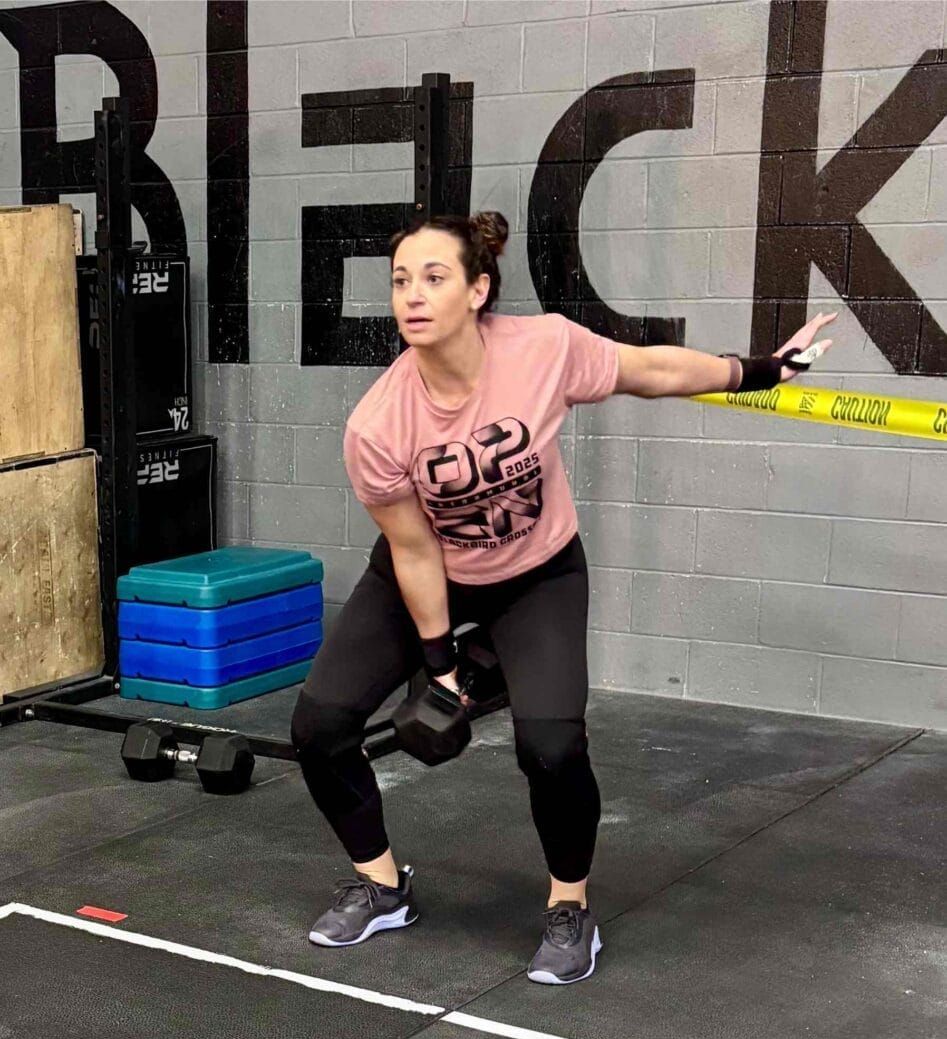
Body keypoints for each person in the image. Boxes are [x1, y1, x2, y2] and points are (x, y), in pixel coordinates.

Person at [290, 210, 835, 985]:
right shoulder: (378, 423)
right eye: (400, 280)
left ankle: (569, 906)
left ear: (478, 289)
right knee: (320, 723)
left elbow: (650, 371)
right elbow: (412, 549)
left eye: (434, 277)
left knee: (550, 746)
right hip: (425, 574)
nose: (412, 296)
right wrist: (439, 665)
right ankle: (380, 885)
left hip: (537, 573)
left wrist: (759, 369)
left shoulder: (543, 349)